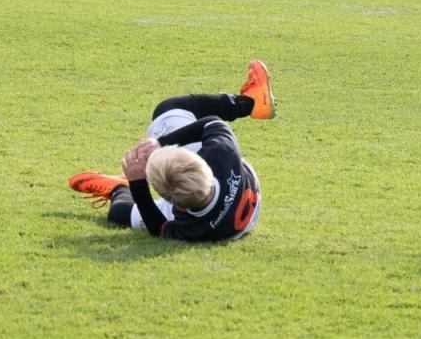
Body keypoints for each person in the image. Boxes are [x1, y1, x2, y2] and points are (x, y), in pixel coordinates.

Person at [68, 61, 273, 242]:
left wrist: (137, 183)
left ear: (178, 207)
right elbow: (212, 122)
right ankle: (251, 103)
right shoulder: (222, 154)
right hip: (239, 200)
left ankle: (119, 187)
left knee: (119, 213)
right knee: (173, 108)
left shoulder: (190, 229)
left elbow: (158, 228)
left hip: (235, 212)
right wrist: (161, 142)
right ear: (202, 161)